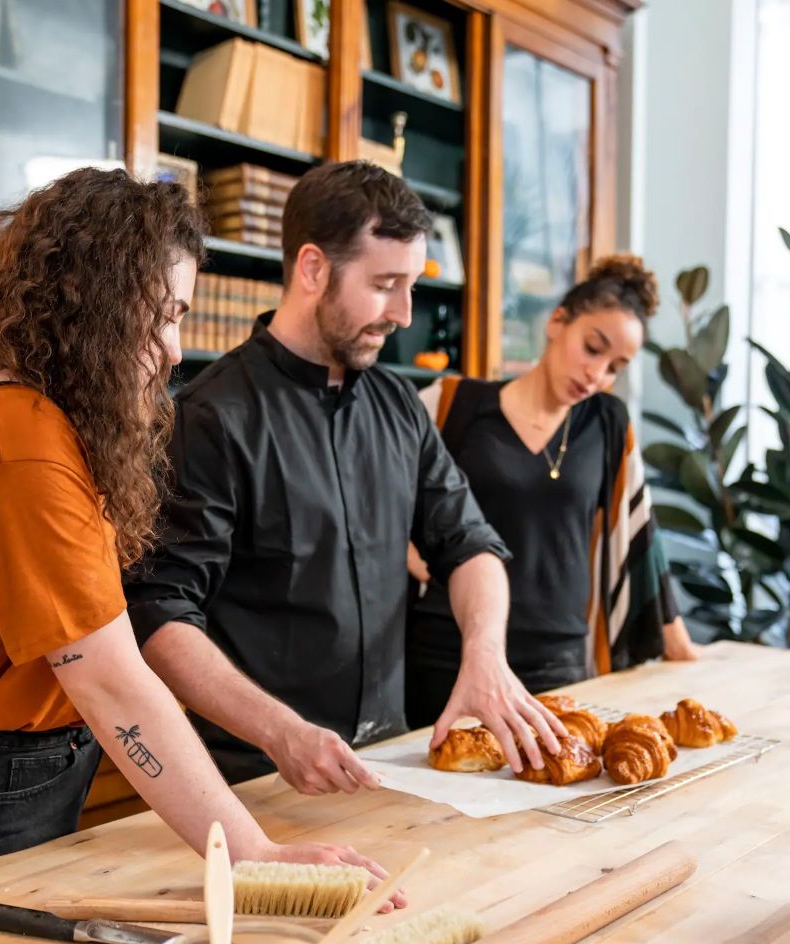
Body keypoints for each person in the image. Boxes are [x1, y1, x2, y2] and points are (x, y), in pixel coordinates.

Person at [0, 167, 404, 899]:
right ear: (97, 303)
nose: (177, 350)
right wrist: (250, 852)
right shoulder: (23, 436)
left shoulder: (41, 415)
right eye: (164, 315)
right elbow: (110, 680)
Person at [124, 160, 566, 785]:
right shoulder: (211, 418)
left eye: (412, 285)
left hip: (387, 762)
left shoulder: (400, 410)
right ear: (312, 268)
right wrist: (282, 732)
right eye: (386, 284)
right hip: (257, 776)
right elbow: (159, 610)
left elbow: (470, 547)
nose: (406, 314)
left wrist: (486, 658)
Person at [406, 255, 698, 729]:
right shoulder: (452, 403)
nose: (597, 375)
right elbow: (368, 496)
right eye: (592, 347)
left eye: (614, 367)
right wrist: (407, 552)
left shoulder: (607, 422)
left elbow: (642, 542)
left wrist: (684, 651)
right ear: (557, 321)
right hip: (447, 653)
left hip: (559, 660)